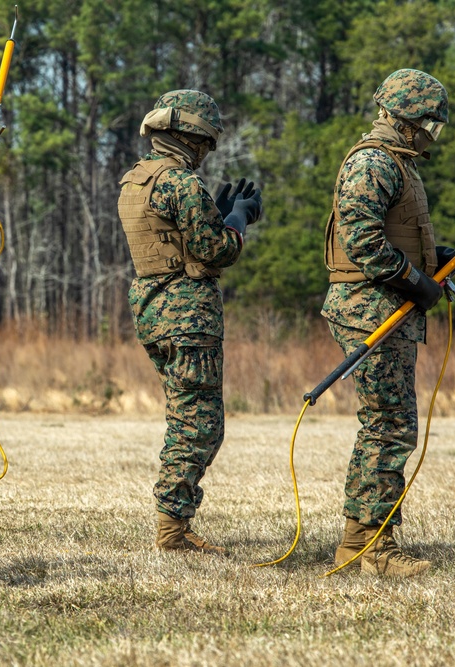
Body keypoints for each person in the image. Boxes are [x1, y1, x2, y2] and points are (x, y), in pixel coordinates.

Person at [322, 68, 455, 577]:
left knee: (389, 423)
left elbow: (397, 244)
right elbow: (363, 242)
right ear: (409, 119)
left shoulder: (399, 164)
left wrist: (450, 256)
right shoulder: (374, 162)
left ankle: (368, 537)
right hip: (370, 307)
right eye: (431, 125)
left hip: (385, 303)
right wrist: (419, 283)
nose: (433, 136)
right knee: (389, 424)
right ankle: (367, 546)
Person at [117, 90, 262, 554]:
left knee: (186, 415)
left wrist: (213, 218)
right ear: (191, 136)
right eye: (207, 140)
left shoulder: (135, 180)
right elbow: (213, 250)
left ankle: (173, 526)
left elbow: (172, 239)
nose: (209, 151)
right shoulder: (180, 183)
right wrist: (237, 223)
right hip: (187, 313)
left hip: (151, 307)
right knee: (198, 423)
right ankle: (172, 530)